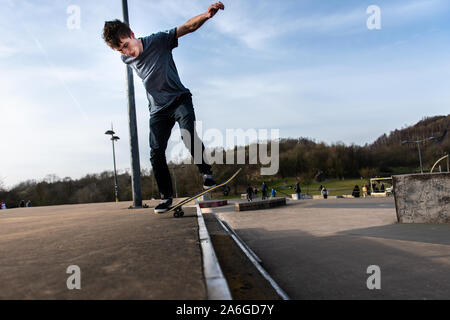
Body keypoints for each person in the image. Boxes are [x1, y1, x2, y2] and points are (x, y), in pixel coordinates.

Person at [103, 2, 225, 213]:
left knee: (188, 135)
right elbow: (125, 52)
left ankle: (207, 174)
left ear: (132, 34)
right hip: (158, 110)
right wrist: (121, 49)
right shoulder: (125, 59)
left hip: (179, 99)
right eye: (119, 50)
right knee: (156, 152)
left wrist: (206, 16)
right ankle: (166, 196)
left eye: (126, 45)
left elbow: (187, 27)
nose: (127, 52)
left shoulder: (158, 40)